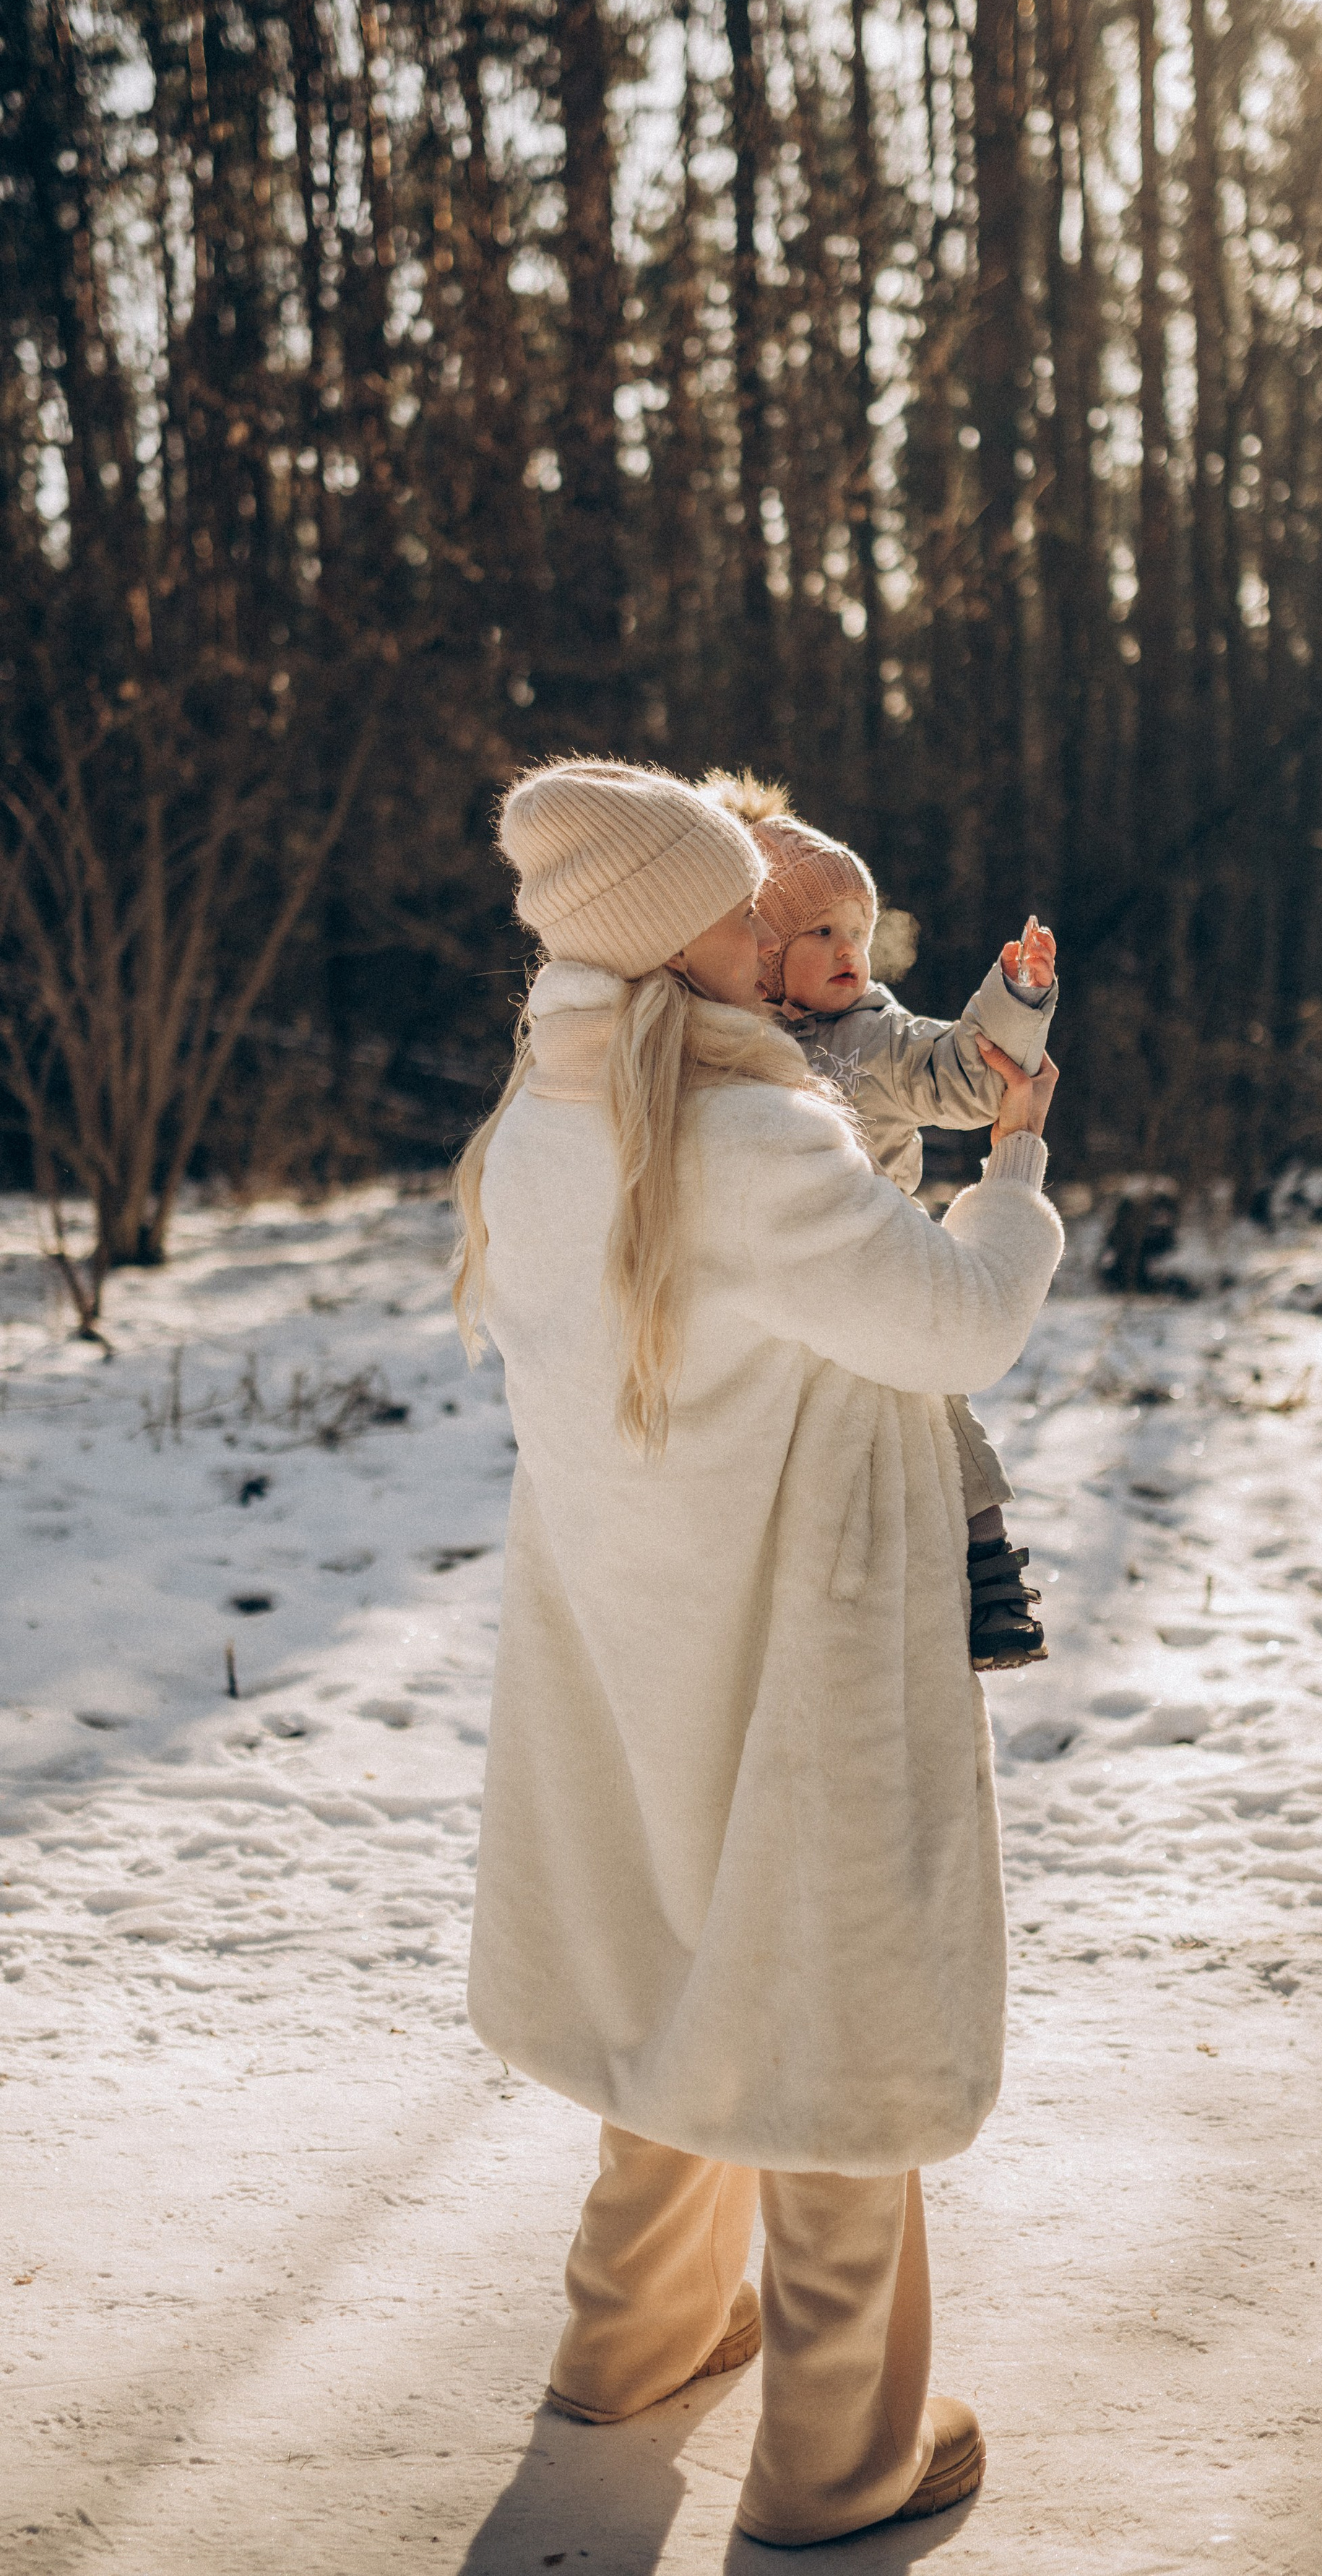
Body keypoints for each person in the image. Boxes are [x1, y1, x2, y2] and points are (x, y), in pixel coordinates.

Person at [451, 759, 1063, 2549]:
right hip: (805, 1618)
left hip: (633, 1616)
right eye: (734, 901)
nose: (770, 923)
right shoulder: (749, 1134)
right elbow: (953, 1328)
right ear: (662, 936)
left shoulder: (549, 1112)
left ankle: (632, 2337)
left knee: (673, 1947)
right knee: (829, 1988)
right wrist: (1013, 1160)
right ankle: (837, 2448)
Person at [703, 772, 1058, 1671]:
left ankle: (989, 1574)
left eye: (859, 932)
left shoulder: (872, 1034)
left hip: (878, 1249)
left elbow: (964, 1076)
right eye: (819, 932)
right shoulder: (721, 1040)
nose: (848, 951)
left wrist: (1013, 1004)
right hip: (775, 1283)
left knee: (937, 1408)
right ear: (763, 949)